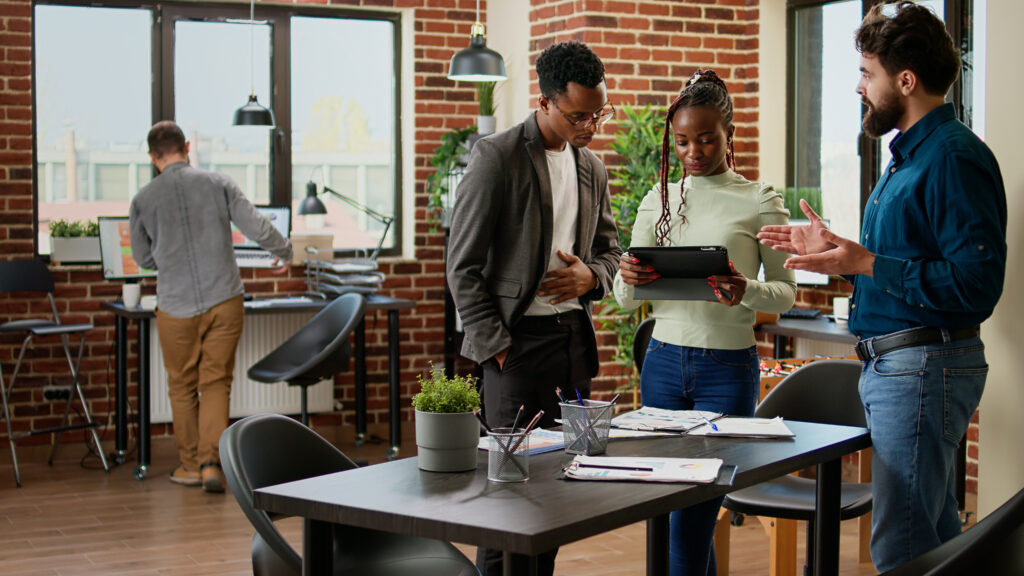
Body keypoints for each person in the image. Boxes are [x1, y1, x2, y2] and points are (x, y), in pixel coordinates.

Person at [757, 3, 1006, 571]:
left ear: (906, 80)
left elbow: (977, 285)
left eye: (868, 72)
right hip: (901, 368)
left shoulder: (953, 158)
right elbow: (901, 267)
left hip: (923, 368)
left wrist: (866, 261)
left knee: (903, 545)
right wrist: (841, 258)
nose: (860, 86)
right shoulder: (906, 161)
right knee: (937, 537)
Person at [446, 40, 622, 576]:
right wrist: (497, 348)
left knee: (558, 494)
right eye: (578, 116)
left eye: (598, 113)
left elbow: (612, 252)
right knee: (508, 499)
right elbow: (462, 266)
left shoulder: (592, 167)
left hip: (572, 344)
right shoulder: (496, 156)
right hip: (514, 349)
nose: (590, 126)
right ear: (543, 102)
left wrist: (591, 275)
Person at [614, 69, 796, 576]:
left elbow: (785, 294)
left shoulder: (760, 200)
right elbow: (626, 301)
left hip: (727, 371)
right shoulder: (660, 198)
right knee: (674, 513)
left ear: (729, 133)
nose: (693, 151)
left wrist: (747, 291)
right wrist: (628, 275)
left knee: (691, 520)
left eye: (706, 138)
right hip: (662, 366)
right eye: (683, 141)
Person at [130, 121, 292, 493]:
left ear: (153, 157)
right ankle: (210, 465)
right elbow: (257, 225)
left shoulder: (142, 199)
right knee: (216, 382)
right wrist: (285, 251)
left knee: (182, 386)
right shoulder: (219, 183)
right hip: (224, 298)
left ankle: (190, 465)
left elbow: (143, 258)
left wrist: (168, 257)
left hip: (175, 305)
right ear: (186, 146)